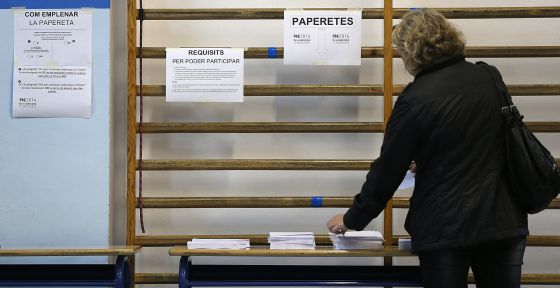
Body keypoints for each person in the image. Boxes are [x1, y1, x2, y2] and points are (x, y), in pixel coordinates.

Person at [327, 8, 528, 288]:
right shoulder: (489, 76)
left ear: (412, 51)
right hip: (502, 220)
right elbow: (482, 140)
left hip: (444, 226)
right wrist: (430, 158)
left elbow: (388, 171)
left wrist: (352, 219)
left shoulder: (415, 99)